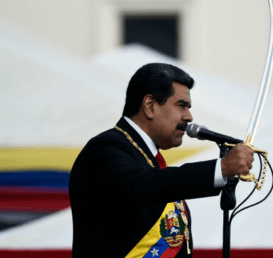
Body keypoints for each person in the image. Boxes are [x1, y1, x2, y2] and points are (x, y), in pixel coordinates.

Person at [69, 63, 254, 258]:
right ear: (149, 106)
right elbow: (143, 184)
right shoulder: (106, 149)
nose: (189, 117)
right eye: (181, 106)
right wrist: (220, 169)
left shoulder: (145, 156)